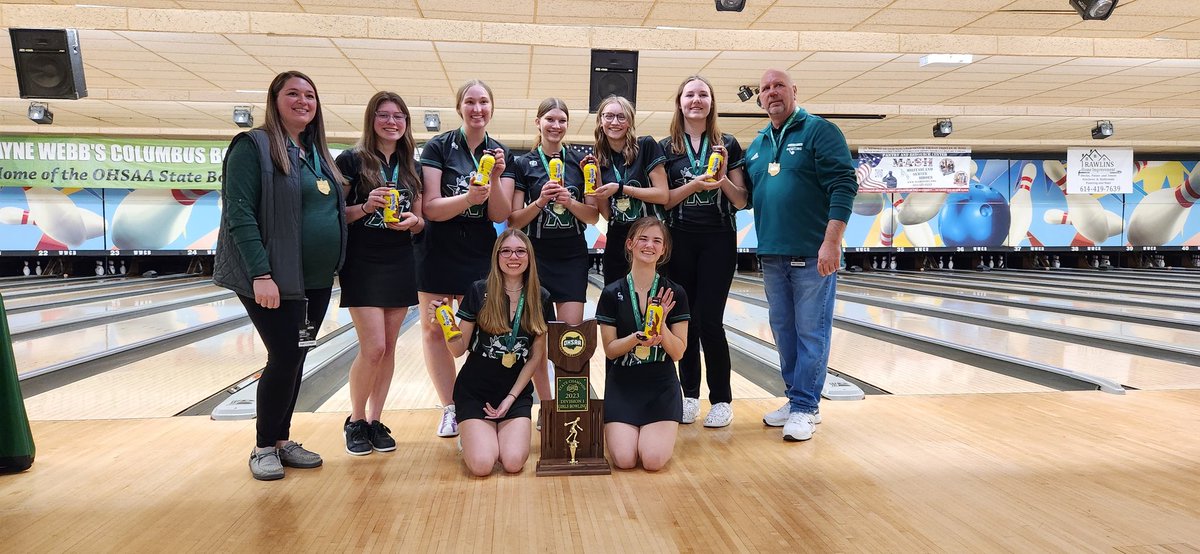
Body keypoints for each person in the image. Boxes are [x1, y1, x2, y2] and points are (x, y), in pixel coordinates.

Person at [213, 70, 346, 481]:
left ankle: (282, 440)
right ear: (274, 100)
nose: (303, 101)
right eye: (293, 94)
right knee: (285, 356)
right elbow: (240, 214)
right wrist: (261, 274)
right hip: (275, 278)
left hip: (316, 281)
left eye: (310, 94)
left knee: (297, 357)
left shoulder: (316, 153)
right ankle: (263, 447)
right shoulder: (252, 147)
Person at [744, 69, 858, 442]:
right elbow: (745, 196)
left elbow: (844, 184)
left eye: (779, 86)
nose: (772, 92)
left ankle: (807, 407)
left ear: (794, 90)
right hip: (772, 256)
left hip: (812, 254)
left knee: (812, 331)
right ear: (759, 99)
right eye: (765, 89)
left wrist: (832, 241)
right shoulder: (758, 144)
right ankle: (797, 401)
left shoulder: (819, 131)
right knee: (784, 333)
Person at [418, 80, 514, 438]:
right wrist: (467, 200)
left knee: (483, 328)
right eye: (470, 102)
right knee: (434, 329)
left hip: (478, 249)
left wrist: (497, 176)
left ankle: (477, 401)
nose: (477, 109)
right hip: (439, 247)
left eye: (484, 102)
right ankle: (450, 407)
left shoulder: (500, 151)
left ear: (491, 108)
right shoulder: (439, 146)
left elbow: (498, 214)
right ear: (460, 107)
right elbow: (430, 208)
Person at [334, 91, 425, 456]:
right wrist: (363, 205)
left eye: (399, 116)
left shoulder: (410, 166)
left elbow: (422, 222)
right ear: (371, 120)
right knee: (372, 348)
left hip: (400, 259)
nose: (392, 122)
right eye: (384, 115)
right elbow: (334, 213)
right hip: (363, 261)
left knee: (388, 350)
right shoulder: (351, 161)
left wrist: (413, 222)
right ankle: (355, 421)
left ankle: (374, 421)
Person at [659, 75, 748, 428]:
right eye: (689, 94)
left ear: (711, 103)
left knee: (710, 321)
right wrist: (696, 184)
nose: (696, 100)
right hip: (678, 238)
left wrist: (723, 176)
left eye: (703, 94)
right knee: (686, 322)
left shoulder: (728, 144)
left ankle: (722, 399)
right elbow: (664, 200)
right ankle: (689, 396)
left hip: (718, 239)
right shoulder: (666, 148)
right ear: (680, 102)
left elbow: (740, 201)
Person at [430, 229, 554, 476]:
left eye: (520, 251)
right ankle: (472, 436)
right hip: (475, 391)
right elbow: (457, 350)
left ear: (529, 256)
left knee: (512, 462)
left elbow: (535, 358)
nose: (513, 257)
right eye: (506, 251)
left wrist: (510, 398)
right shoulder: (478, 291)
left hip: (514, 393)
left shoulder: (541, 297)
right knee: (483, 465)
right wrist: (445, 326)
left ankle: (490, 432)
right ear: (497, 256)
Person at [508, 98, 599, 404]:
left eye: (561, 120)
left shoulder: (580, 163)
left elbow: (592, 216)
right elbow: (513, 220)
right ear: (538, 123)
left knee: (570, 335)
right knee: (539, 337)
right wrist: (540, 201)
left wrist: (569, 201)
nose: (556, 126)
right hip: (536, 257)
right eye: (550, 119)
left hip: (572, 255)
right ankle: (546, 403)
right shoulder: (523, 164)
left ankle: (566, 400)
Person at [595, 217, 689, 471]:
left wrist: (663, 327)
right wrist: (638, 336)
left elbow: (678, 351)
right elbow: (611, 350)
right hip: (622, 385)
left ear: (664, 250)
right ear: (629, 244)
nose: (649, 245)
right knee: (624, 461)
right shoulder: (611, 293)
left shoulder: (674, 293)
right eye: (643, 239)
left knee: (653, 461)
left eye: (657, 241)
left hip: (661, 387)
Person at [585, 96, 669, 286]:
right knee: (616, 303)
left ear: (630, 121)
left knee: (651, 301)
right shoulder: (599, 157)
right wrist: (597, 177)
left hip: (650, 234)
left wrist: (622, 188)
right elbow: (606, 214)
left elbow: (662, 194)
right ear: (600, 121)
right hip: (618, 237)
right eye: (609, 116)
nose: (615, 122)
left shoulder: (646, 146)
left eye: (621, 117)